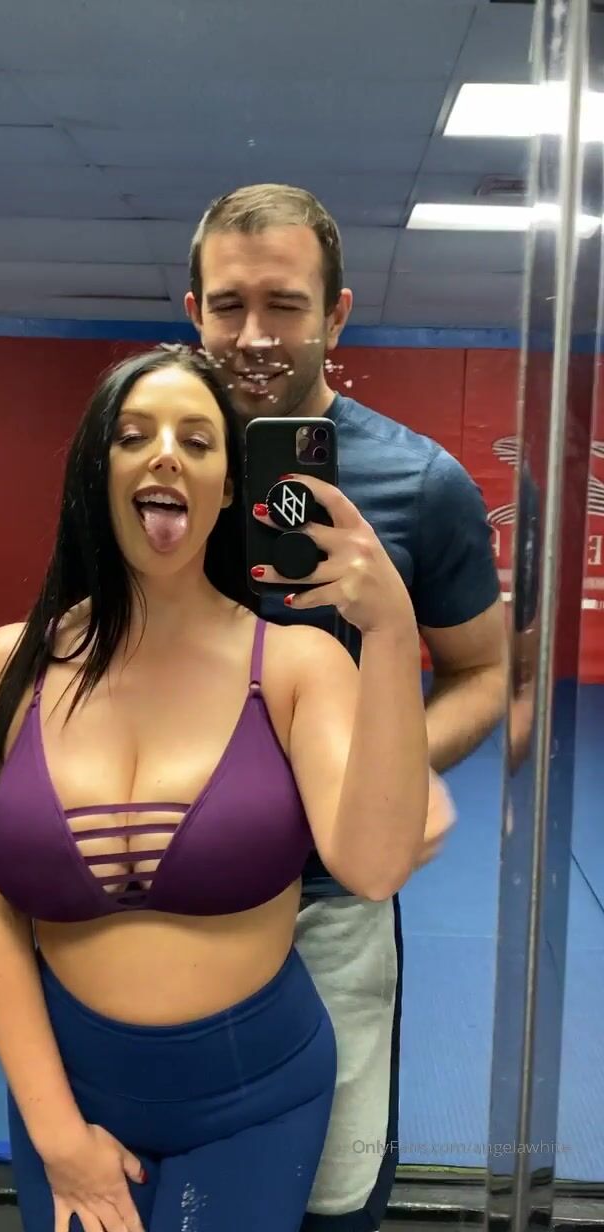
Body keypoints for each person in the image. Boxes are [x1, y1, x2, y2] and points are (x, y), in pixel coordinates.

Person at [0, 346, 447, 1232]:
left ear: (230, 487)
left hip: (255, 1104)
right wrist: (56, 1132)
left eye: (197, 441)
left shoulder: (299, 665)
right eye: (133, 436)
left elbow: (375, 866)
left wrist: (389, 632)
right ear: (96, 472)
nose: (165, 455)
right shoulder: (4, 669)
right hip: (67, 1095)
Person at [185, 184, 508, 1231]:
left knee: (327, 1197)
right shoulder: (147, 470)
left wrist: (397, 767)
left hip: (332, 899)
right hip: (162, 893)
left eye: (285, 304)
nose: (255, 335)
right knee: (172, 1186)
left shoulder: (421, 483)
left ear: (337, 314)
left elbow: (485, 672)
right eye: (229, 305)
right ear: (193, 311)